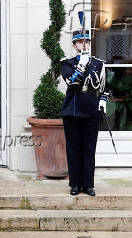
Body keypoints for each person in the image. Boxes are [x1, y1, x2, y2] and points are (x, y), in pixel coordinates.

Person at [61, 29, 108, 197]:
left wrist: (102, 101)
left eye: (87, 41)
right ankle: (75, 184)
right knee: (73, 149)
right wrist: (81, 65)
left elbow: (104, 88)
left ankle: (88, 184)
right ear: (74, 45)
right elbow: (71, 83)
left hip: (91, 112)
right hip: (72, 112)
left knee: (89, 149)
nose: (84, 45)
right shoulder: (67, 63)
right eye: (80, 42)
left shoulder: (99, 64)